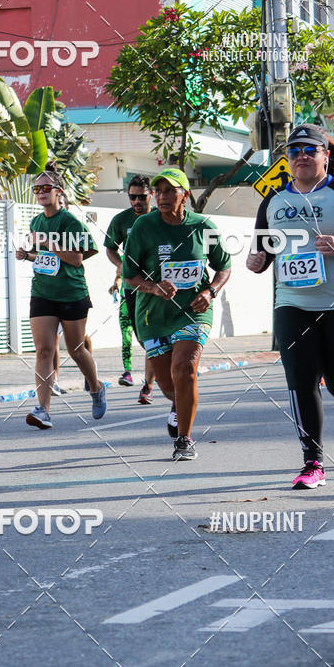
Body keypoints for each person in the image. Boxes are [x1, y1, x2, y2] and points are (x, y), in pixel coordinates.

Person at [247, 124, 334, 489]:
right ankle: (313, 464)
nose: (302, 156)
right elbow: (263, 250)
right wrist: (258, 261)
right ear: (287, 160)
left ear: (325, 155)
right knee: (302, 382)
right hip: (292, 302)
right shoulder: (273, 201)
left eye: (310, 150)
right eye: (295, 151)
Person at [122, 168, 231, 460]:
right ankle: (177, 404)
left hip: (193, 312)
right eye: (158, 191)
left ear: (185, 194)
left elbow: (224, 266)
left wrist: (210, 292)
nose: (162, 196)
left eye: (170, 190)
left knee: (185, 370)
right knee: (170, 385)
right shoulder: (144, 227)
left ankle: (184, 439)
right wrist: (154, 288)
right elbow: (129, 276)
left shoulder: (203, 226)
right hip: (153, 316)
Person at [16, 165, 106, 427]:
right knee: (44, 350)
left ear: (58, 192)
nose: (41, 193)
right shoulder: (35, 221)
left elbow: (76, 259)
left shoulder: (69, 222)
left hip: (71, 292)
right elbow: (43, 257)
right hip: (43, 292)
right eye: (37, 189)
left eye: (46, 188)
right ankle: (42, 409)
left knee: (76, 349)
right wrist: (27, 255)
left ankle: (96, 387)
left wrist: (46, 242)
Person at [105, 175, 157, 402]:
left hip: (158, 287)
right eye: (132, 197)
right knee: (142, 337)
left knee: (154, 336)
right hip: (132, 287)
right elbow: (110, 248)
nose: (136, 201)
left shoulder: (160, 217)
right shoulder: (121, 220)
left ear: (151, 196)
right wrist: (122, 266)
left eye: (141, 197)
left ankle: (148, 386)